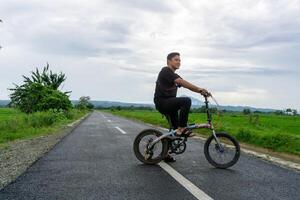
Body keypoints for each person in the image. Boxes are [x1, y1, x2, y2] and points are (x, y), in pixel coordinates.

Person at [153, 52, 211, 162]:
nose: (179, 62)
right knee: (186, 101)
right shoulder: (166, 71)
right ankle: (182, 127)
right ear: (169, 61)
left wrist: (202, 92)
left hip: (168, 103)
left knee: (174, 131)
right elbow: (181, 82)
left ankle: (166, 153)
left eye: (180, 60)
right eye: (176, 60)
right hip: (162, 102)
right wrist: (199, 89)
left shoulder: (174, 75)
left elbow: (184, 84)